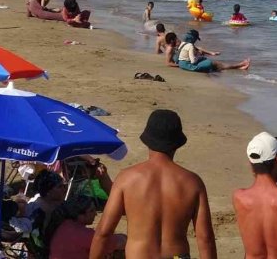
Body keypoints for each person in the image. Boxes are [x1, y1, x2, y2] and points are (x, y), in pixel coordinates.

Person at [89, 109, 217, 259]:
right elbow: (205, 238)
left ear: (146, 141)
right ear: (177, 145)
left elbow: (103, 233)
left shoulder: (126, 178)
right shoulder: (192, 182)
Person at [45, 195, 126, 259]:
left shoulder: (65, 226)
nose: (95, 214)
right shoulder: (81, 234)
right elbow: (119, 242)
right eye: (91, 211)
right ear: (80, 215)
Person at [177, 31, 250, 72]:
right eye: (196, 39)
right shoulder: (190, 46)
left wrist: (210, 53)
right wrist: (198, 57)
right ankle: (240, 64)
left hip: (183, 64)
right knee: (215, 64)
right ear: (193, 38)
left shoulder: (183, 43)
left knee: (214, 66)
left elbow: (196, 50)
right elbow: (193, 61)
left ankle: (239, 68)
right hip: (189, 66)